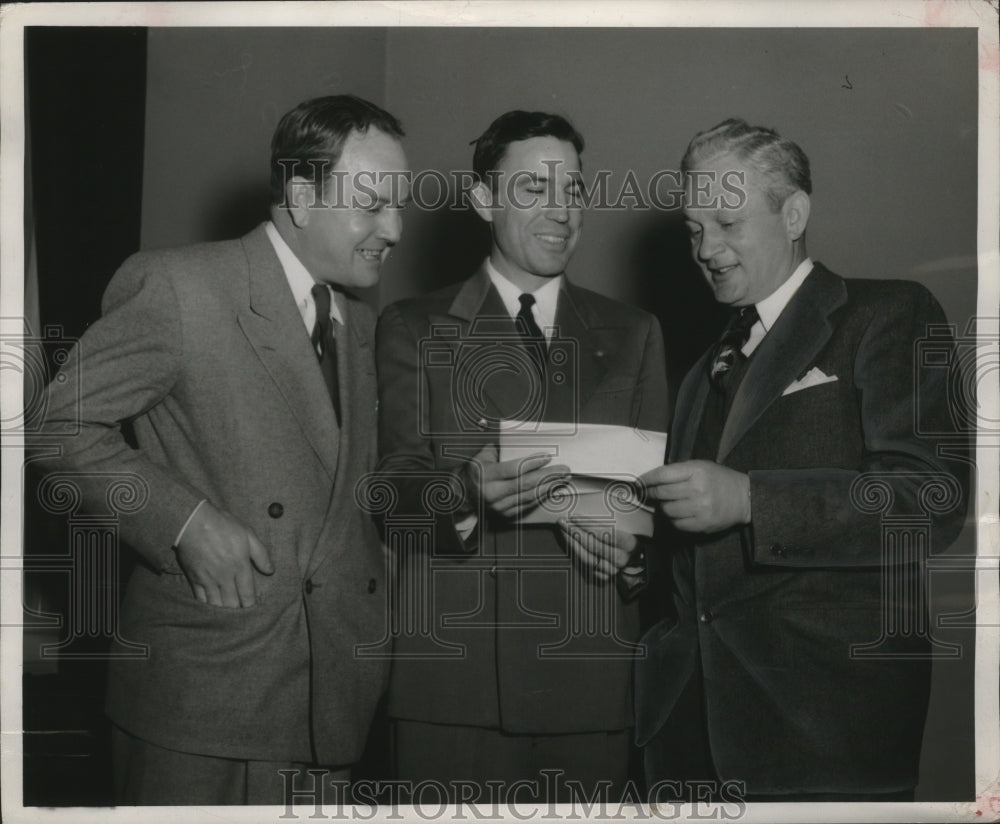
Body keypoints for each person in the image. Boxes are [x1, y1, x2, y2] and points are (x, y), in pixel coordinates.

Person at [36, 94, 410, 805]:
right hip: (206, 702)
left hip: (332, 704)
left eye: (401, 206)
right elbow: (57, 428)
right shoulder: (181, 287)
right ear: (302, 197)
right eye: (373, 206)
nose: (394, 229)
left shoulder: (358, 326)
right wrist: (183, 523)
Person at [635, 118, 969, 802]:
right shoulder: (703, 368)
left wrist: (752, 499)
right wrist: (647, 552)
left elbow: (932, 501)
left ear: (794, 213)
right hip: (690, 739)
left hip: (826, 735)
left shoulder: (887, 313)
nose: (708, 249)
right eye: (694, 230)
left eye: (728, 223)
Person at [373, 110, 668, 801]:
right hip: (454, 684)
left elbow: (658, 509)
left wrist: (637, 557)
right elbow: (390, 491)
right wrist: (465, 490)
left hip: (591, 684)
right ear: (484, 200)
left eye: (574, 190)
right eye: (535, 189)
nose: (562, 211)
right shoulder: (412, 326)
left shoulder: (635, 333)